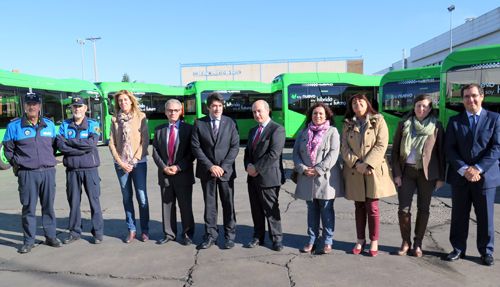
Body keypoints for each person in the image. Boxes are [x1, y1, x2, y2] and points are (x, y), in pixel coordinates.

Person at [444, 83, 500, 266]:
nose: (471, 99)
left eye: (474, 95)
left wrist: (477, 168)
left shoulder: (495, 118)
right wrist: (464, 170)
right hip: (460, 178)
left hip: (485, 177)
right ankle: (458, 248)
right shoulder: (454, 121)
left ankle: (486, 251)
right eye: (467, 96)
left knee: (485, 217)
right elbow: (449, 148)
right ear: (462, 100)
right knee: (459, 216)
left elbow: (496, 147)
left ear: (482, 96)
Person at [2, 93, 62, 253]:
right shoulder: (14, 127)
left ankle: (51, 237)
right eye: (29, 104)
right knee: (28, 207)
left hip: (48, 172)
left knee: (48, 206)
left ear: (39, 106)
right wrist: (19, 164)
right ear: (25, 107)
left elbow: (54, 146)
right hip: (27, 174)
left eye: (34, 104)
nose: (32, 107)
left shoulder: (49, 125)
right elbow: (7, 150)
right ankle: (28, 241)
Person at [341, 93, 396, 257]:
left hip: (373, 170)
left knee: (372, 207)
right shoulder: (347, 124)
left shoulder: (378, 120)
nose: (357, 104)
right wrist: (357, 164)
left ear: (367, 104)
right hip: (355, 170)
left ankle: (374, 240)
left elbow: (382, 144)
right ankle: (360, 239)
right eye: (354, 102)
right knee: (358, 206)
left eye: (360, 101)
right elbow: (344, 147)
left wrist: (367, 164)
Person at [391, 94, 445, 257]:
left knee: (424, 208)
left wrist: (441, 178)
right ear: (414, 107)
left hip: (427, 174)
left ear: (430, 109)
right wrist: (397, 174)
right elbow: (394, 152)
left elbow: (441, 154)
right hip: (406, 171)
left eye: (425, 106)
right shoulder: (404, 125)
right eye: (418, 105)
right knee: (403, 209)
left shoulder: (437, 126)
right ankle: (405, 242)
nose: (421, 109)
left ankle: (418, 243)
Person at [293, 103, 343, 254]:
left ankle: (328, 241)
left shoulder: (332, 131)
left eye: (321, 113)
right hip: (307, 177)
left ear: (327, 115)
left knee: (327, 210)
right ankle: (312, 240)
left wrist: (318, 170)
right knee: (312, 210)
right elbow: (296, 153)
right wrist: (302, 168)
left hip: (325, 178)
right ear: (311, 115)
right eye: (315, 113)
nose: (318, 116)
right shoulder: (303, 132)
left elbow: (334, 153)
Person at [192, 92, 239, 249]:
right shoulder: (199, 124)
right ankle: (211, 235)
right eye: (214, 106)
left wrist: (223, 168)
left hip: (226, 173)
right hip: (207, 172)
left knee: (228, 204)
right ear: (208, 107)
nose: (217, 109)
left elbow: (234, 147)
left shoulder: (231, 123)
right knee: (210, 206)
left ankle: (229, 236)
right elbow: (196, 147)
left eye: (220, 106)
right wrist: (210, 166)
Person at [56, 96, 104, 245]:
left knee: (94, 201)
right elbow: (59, 145)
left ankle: (98, 233)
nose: (77, 109)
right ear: (71, 109)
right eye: (74, 107)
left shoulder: (93, 124)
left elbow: (91, 144)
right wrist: (79, 150)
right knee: (74, 202)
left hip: (90, 169)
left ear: (85, 108)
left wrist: (69, 142)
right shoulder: (64, 125)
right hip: (72, 170)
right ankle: (74, 232)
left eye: (80, 106)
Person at [243, 100, 286, 252]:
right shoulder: (253, 130)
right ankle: (258, 237)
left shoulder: (277, 129)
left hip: (269, 178)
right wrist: (248, 166)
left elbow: (274, 154)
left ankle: (276, 239)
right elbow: (248, 152)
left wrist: (256, 168)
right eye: (254, 112)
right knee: (256, 209)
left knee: (271, 210)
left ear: (268, 111)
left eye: (259, 111)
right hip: (253, 177)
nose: (257, 114)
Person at [152, 99, 195, 246]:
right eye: (170, 110)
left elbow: (192, 152)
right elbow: (155, 152)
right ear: (165, 112)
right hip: (165, 174)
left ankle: (188, 234)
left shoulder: (189, 129)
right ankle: (169, 234)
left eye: (176, 110)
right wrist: (164, 167)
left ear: (180, 111)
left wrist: (178, 167)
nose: (173, 113)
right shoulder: (159, 130)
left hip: (183, 174)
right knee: (167, 206)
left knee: (185, 207)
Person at [109, 90, 150, 243]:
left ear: (131, 101)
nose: (123, 103)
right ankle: (131, 229)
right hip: (120, 165)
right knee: (127, 197)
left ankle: (145, 230)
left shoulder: (141, 117)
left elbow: (145, 141)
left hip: (138, 163)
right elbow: (111, 142)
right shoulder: (114, 119)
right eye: (120, 101)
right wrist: (121, 162)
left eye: (125, 100)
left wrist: (133, 161)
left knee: (142, 197)